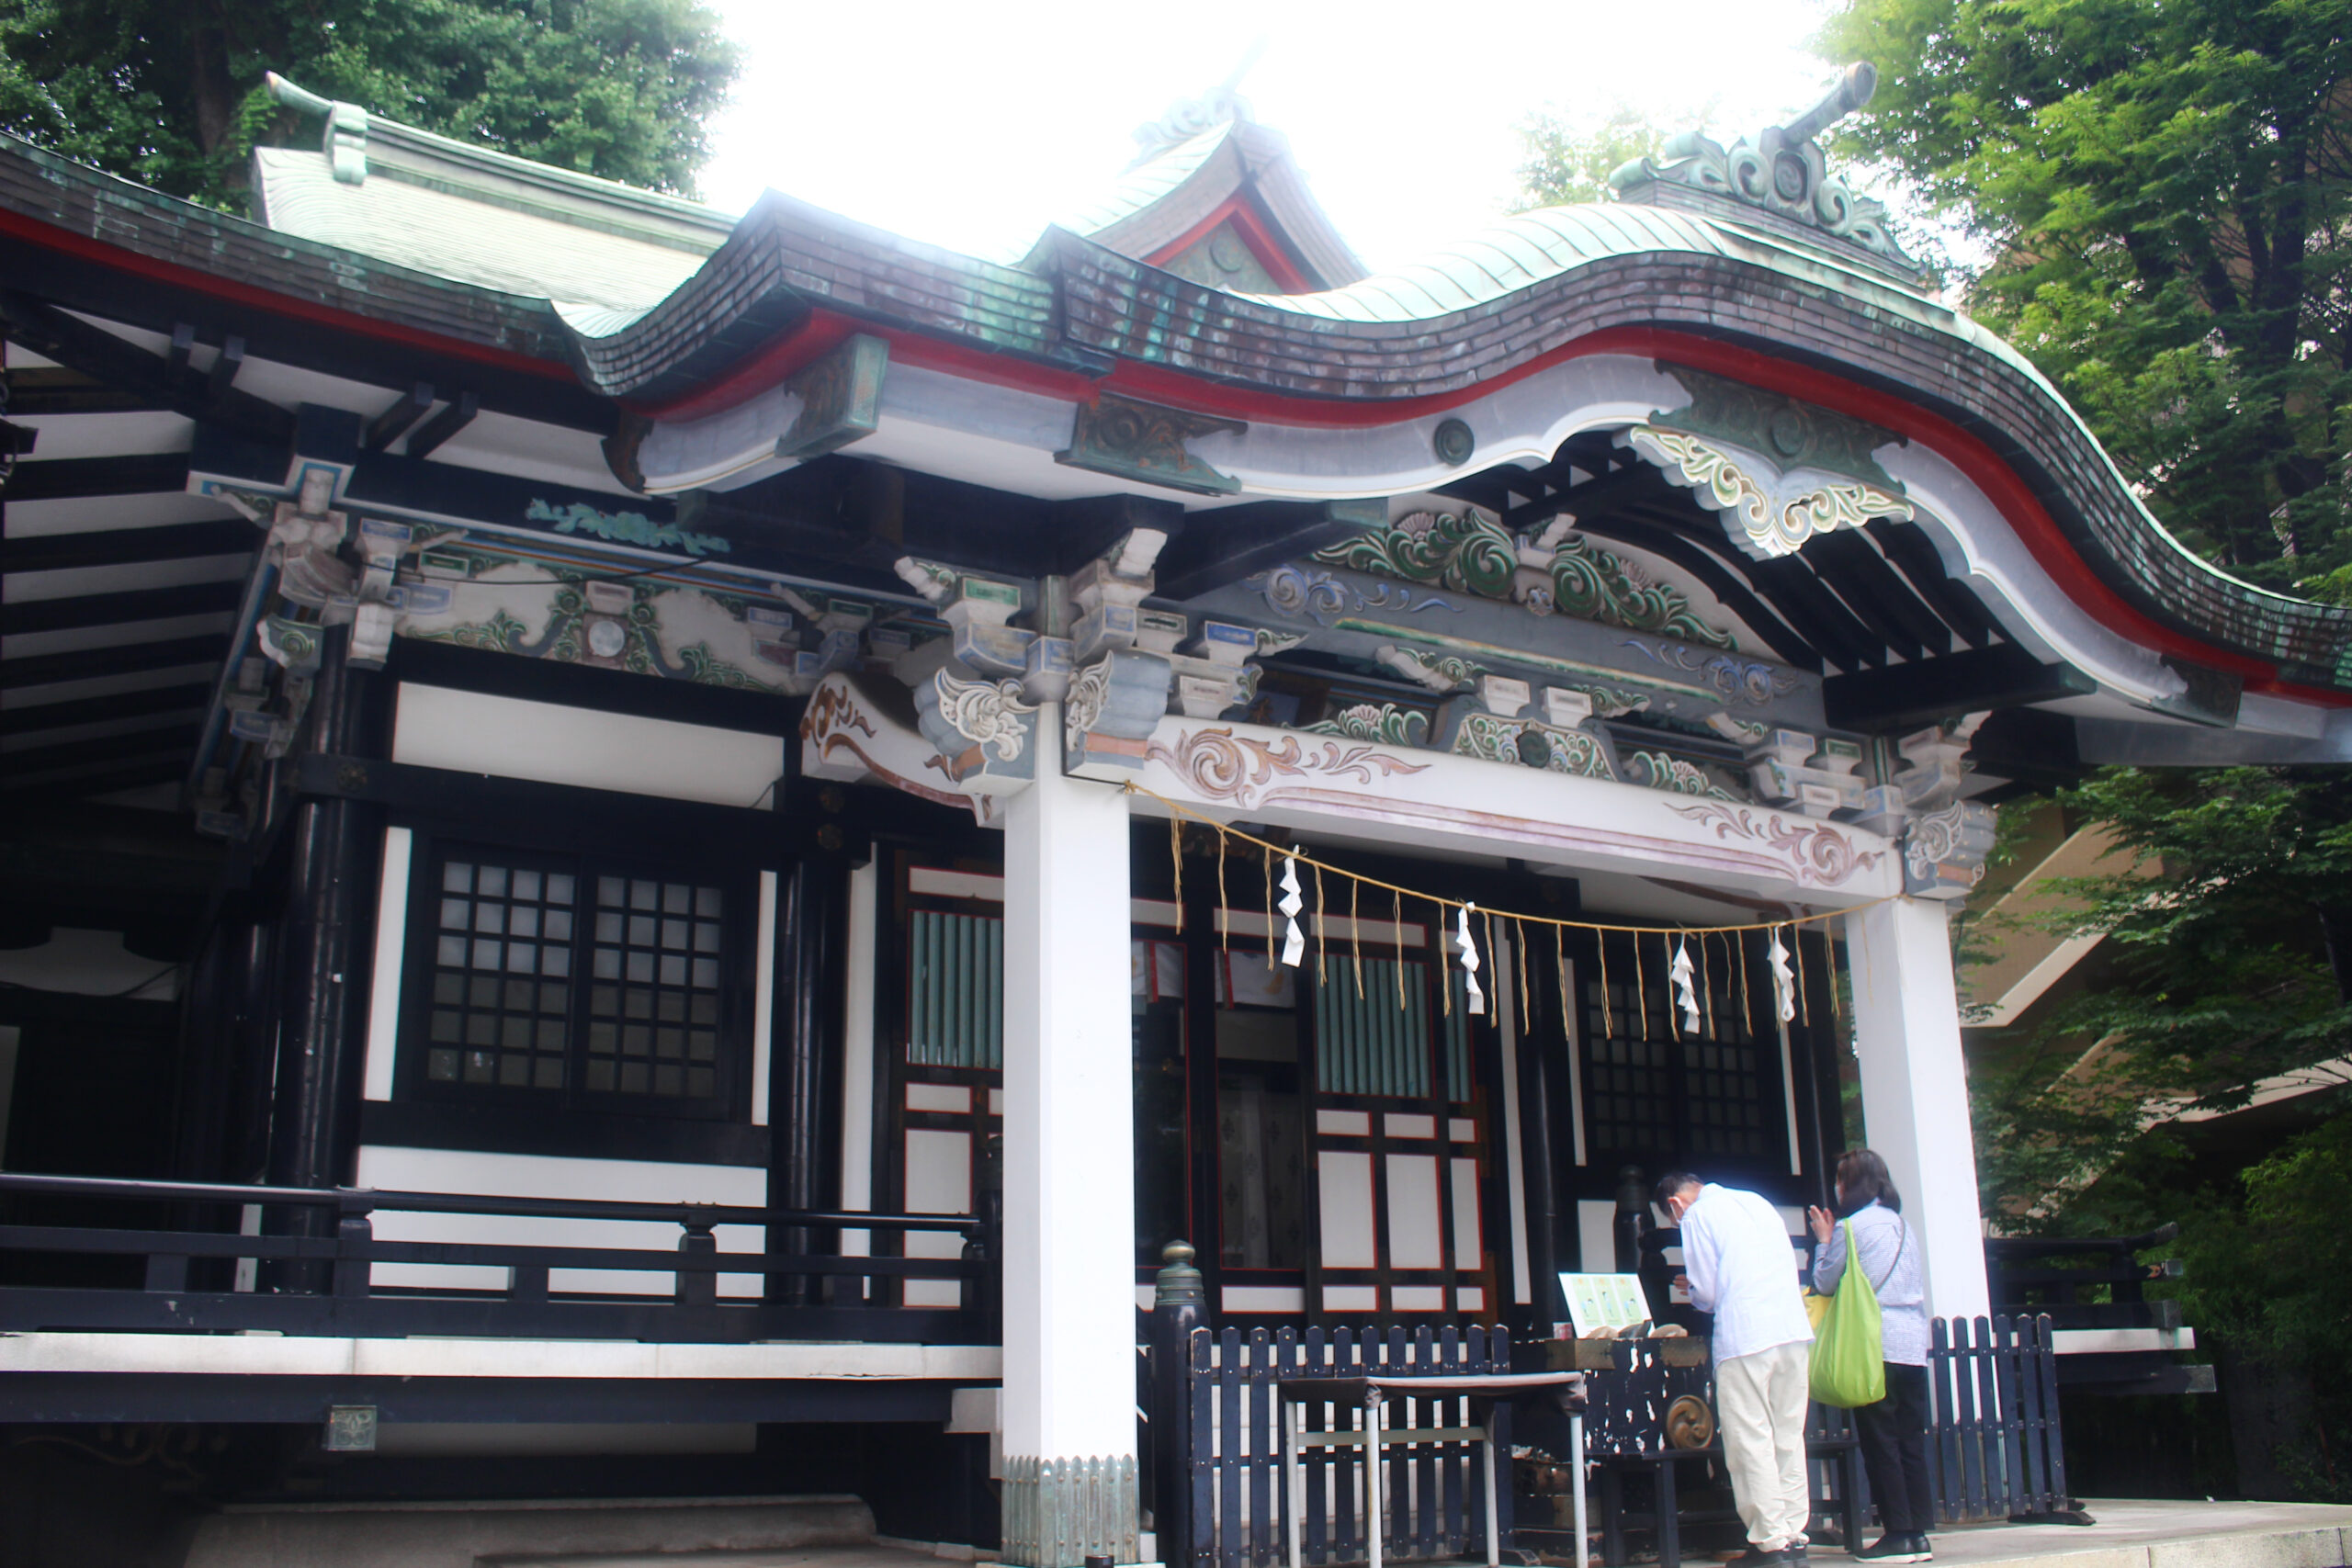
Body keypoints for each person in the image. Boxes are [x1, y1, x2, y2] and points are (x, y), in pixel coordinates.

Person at [1658, 1171, 1815, 1567]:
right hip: (1792, 1330)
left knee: (1750, 1438)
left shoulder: (1696, 1215)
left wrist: (1692, 1290)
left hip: (1747, 1334)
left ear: (1675, 1204)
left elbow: (1708, 1293)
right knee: (1788, 1436)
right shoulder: (1756, 1201)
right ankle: (1795, 1537)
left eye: (1673, 1218)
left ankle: (1770, 1543)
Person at [1808, 1149, 1933, 1563]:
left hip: (1873, 1345)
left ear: (1850, 1184)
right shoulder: (1903, 1226)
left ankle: (1897, 1534)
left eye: (1839, 1180)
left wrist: (1823, 1241)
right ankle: (1917, 1533)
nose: (1836, 1187)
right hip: (1911, 1344)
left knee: (1881, 1442)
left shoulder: (1850, 1227)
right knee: (1909, 1440)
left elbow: (1825, 1283)